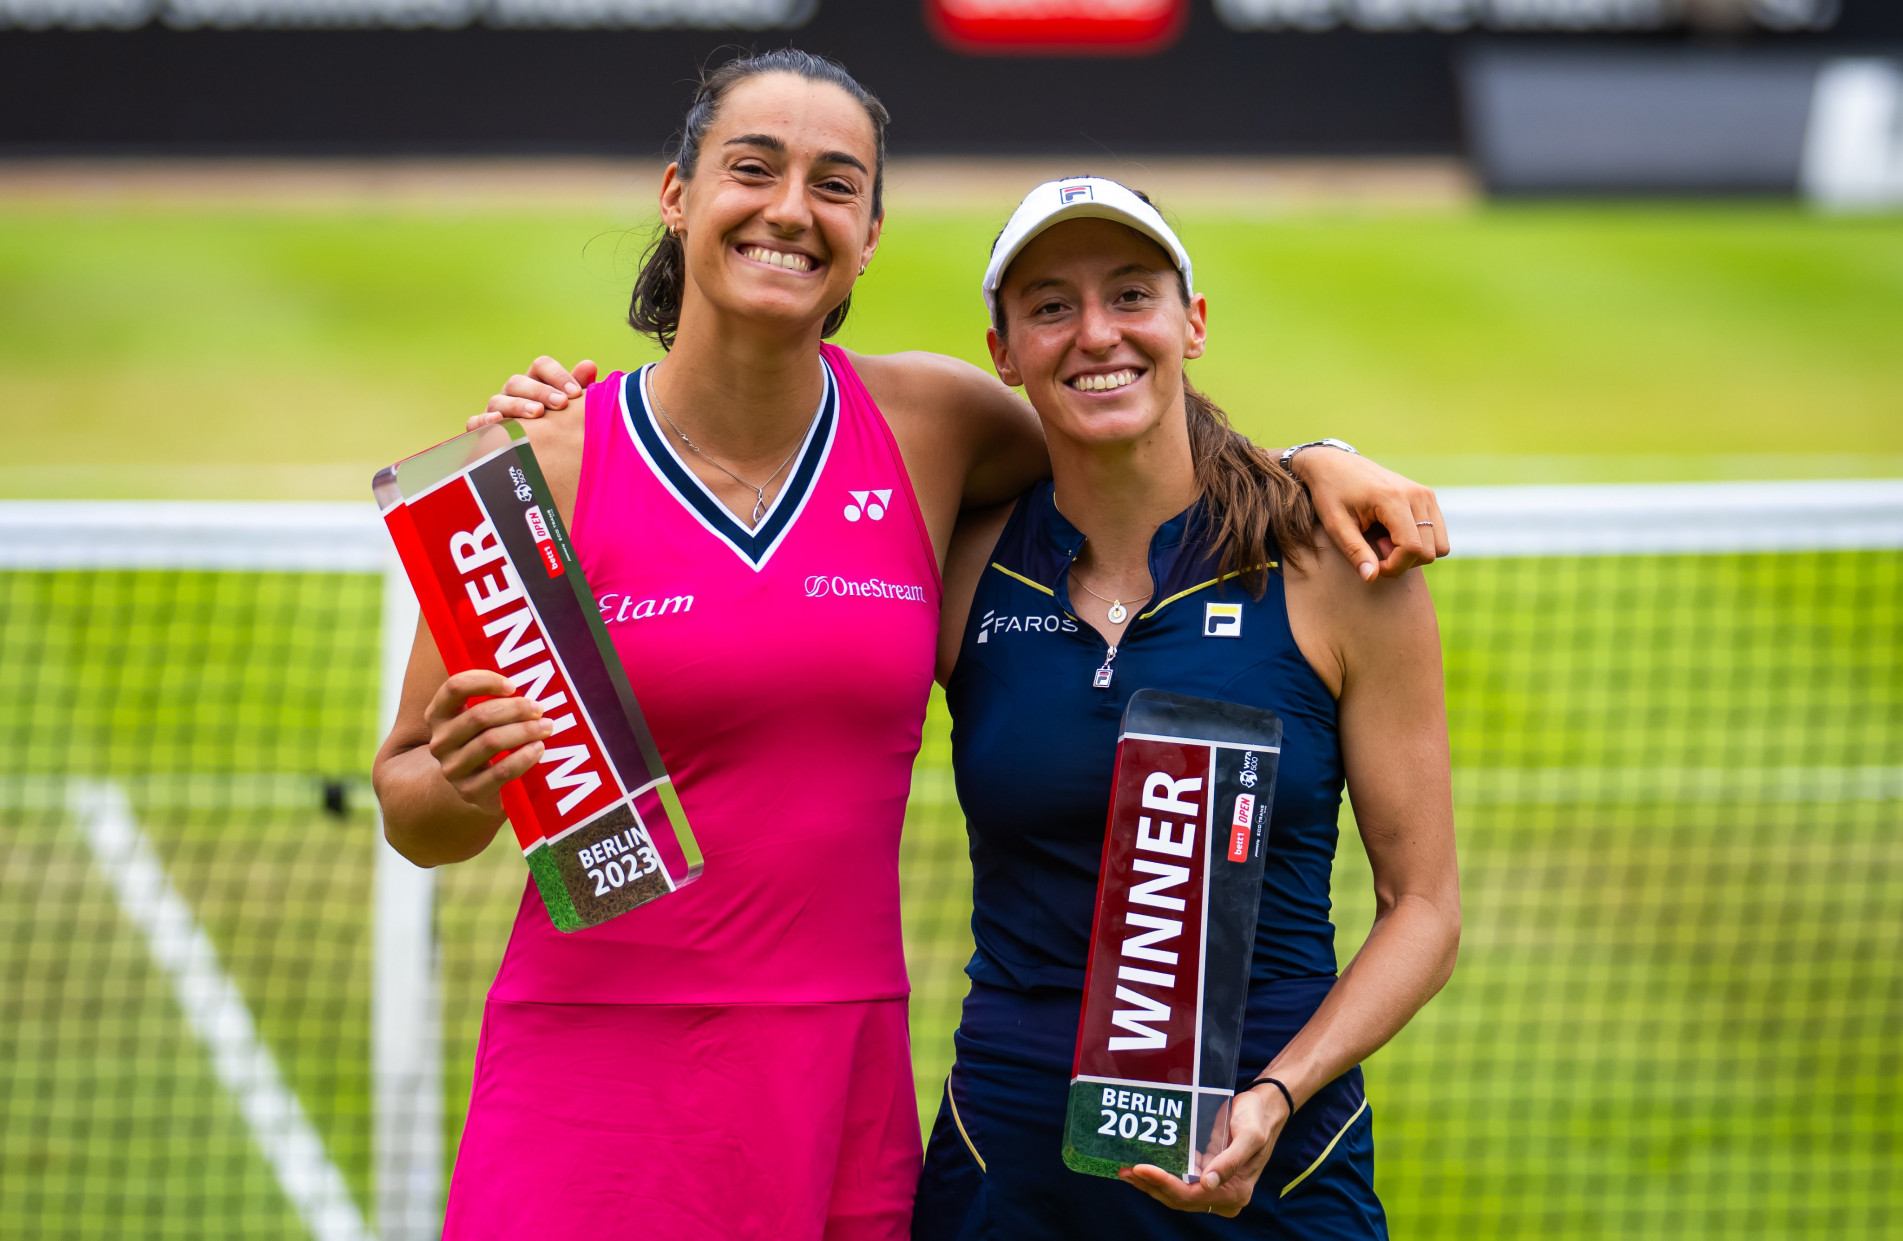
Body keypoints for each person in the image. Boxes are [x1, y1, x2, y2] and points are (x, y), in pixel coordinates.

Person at [380, 51, 1444, 1241]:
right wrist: (465, 779)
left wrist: (1315, 457)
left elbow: (1121, 430)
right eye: (752, 168)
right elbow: (413, 804)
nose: (791, 208)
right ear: (676, 194)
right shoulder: (539, 472)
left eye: (835, 184)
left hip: (838, 1070)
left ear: (871, 232)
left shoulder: (931, 427)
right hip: (592, 1065)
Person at [909, 178, 1460, 1239]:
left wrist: (1276, 1093)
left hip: (1274, 1162)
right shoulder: (959, 562)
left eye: (1130, 294)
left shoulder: (1339, 567)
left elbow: (1424, 911)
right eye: (1050, 305)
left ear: (1190, 323)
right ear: (1002, 349)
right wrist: (580, 426)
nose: (1096, 332)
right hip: (1011, 1164)